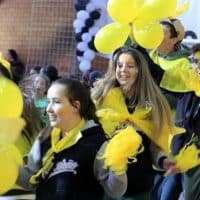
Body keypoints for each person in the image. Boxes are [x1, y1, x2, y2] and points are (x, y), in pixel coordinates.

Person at [91, 46, 177, 200]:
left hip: (138, 184)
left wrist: (163, 160)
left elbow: (157, 144)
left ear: (140, 70)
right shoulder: (101, 98)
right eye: (120, 65)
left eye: (130, 66)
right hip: (105, 181)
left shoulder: (154, 104)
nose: (123, 70)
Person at [17, 78, 107, 200]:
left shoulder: (98, 142)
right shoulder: (45, 136)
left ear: (76, 106)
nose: (48, 109)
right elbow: (30, 179)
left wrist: (118, 166)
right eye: (48, 101)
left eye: (56, 102)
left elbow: (116, 190)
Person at [149, 18, 200, 200]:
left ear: (174, 39)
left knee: (168, 190)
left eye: (162, 33)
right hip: (152, 134)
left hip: (175, 137)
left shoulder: (184, 65)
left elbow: (178, 98)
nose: (156, 37)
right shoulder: (151, 55)